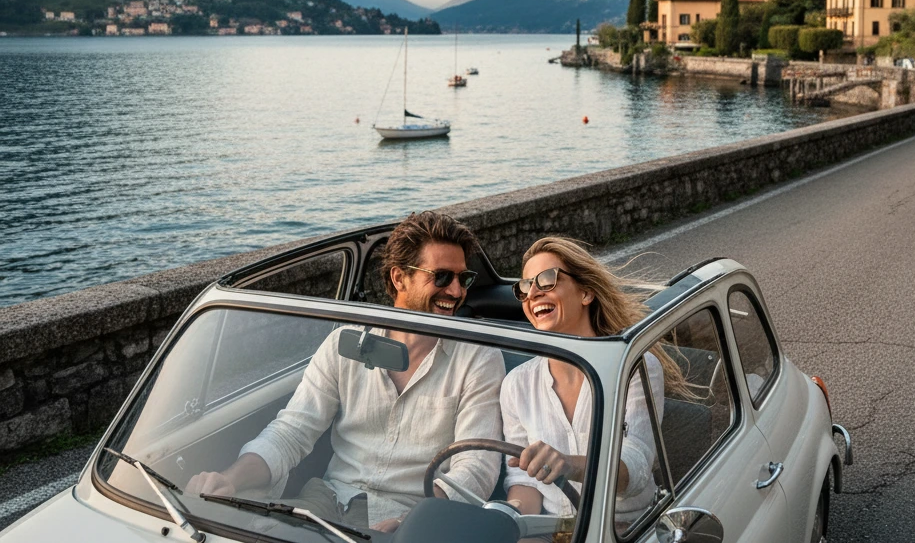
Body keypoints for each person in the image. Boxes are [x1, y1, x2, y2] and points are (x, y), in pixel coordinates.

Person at [186, 212, 503, 530]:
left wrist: (412, 523)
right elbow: (292, 430)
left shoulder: (478, 359)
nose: (456, 292)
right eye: (442, 277)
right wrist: (229, 479)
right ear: (399, 278)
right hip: (323, 502)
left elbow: (475, 466)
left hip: (407, 518)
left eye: (464, 279)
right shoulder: (344, 343)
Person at [500, 236, 686, 525]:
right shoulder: (516, 384)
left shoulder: (634, 366)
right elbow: (524, 480)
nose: (532, 293)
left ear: (586, 293)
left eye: (547, 280)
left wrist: (569, 465)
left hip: (625, 528)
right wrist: (513, 520)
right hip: (555, 531)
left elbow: (635, 466)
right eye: (524, 287)